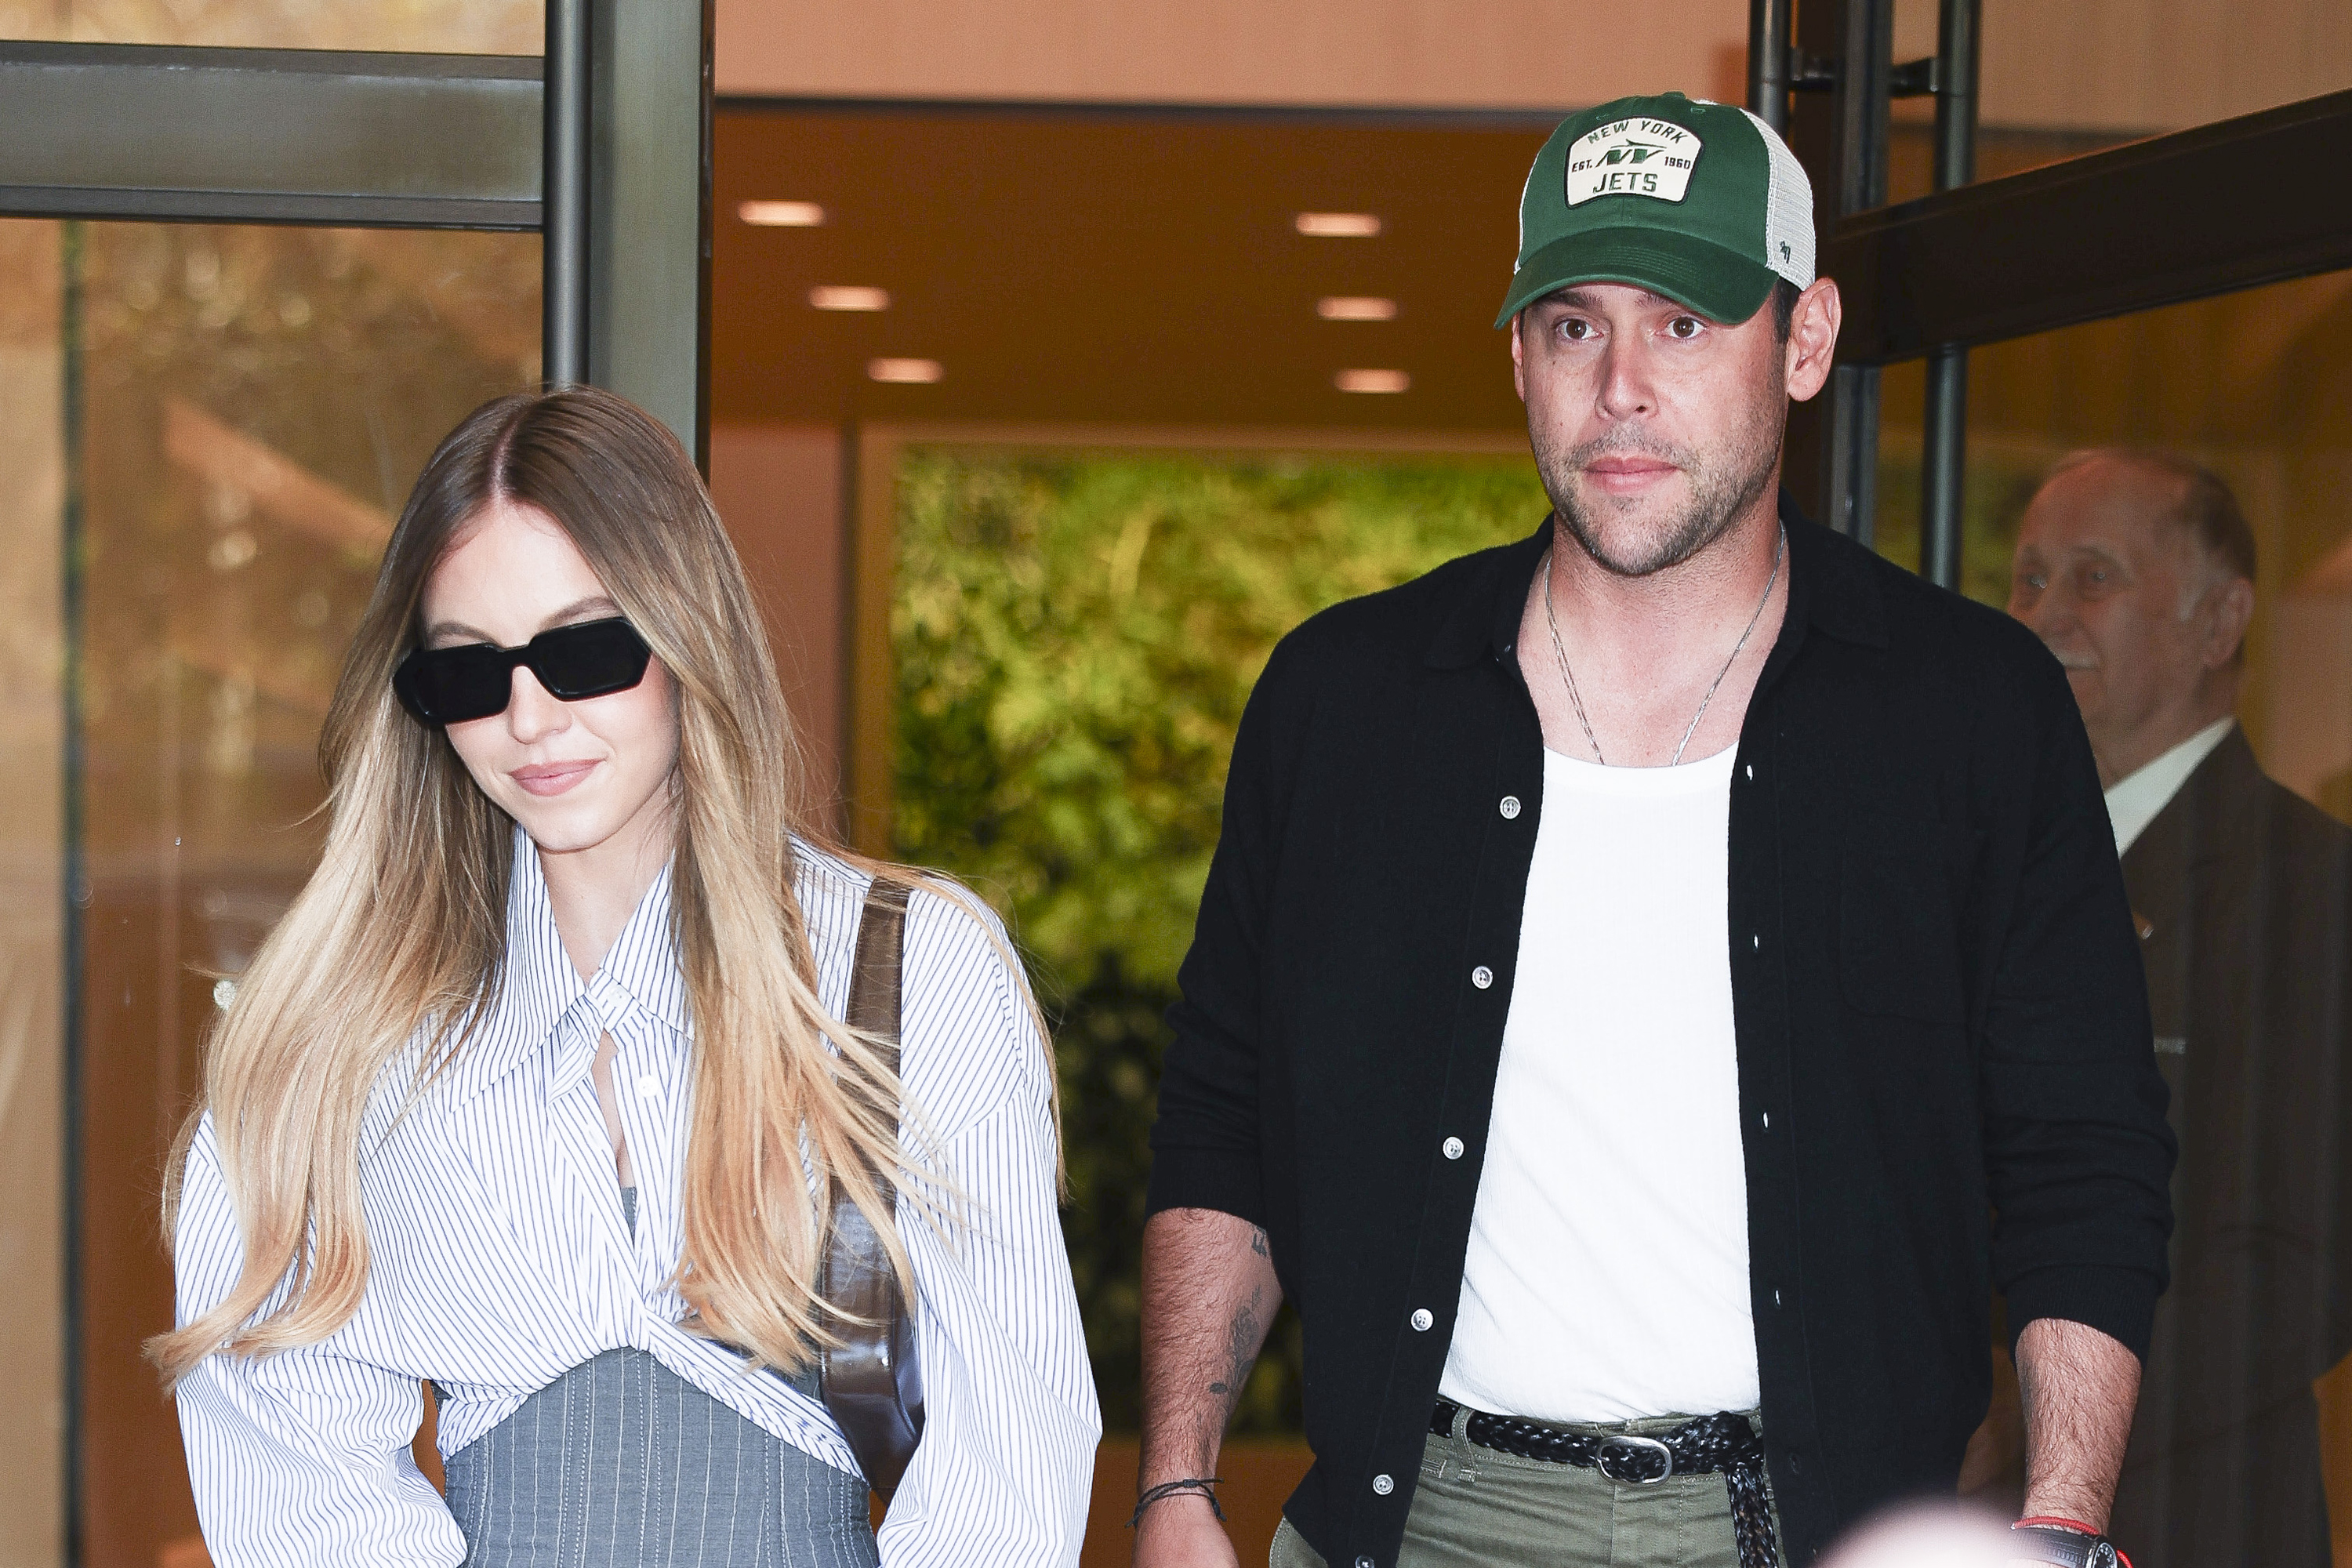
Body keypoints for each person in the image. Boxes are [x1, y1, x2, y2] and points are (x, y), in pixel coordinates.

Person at [1134, 93, 2172, 1568]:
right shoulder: (1349, 700)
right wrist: (1176, 1487)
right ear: (1518, 357)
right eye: (1574, 325)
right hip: (1415, 1519)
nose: (1620, 385)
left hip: (1818, 1533)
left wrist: (2062, 1525)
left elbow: (2084, 1158)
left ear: (1803, 342)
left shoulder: (1970, 712)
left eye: (1683, 324)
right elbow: (1223, 1116)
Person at [152, 387, 1099, 1566]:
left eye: (585, 649)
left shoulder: (907, 968)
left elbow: (1009, 1467)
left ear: (685, 633)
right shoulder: (355, 1027)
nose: (530, 718)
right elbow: (289, 1464)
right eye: (468, 674)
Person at [2005, 448, 2352, 1567]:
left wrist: (2029, 1429)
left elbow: (2299, 1271)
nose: (2046, 613)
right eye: (2029, 579)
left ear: (2220, 621)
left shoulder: (2312, 890)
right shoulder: (1981, 870)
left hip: (2193, 1518)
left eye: (2093, 578)